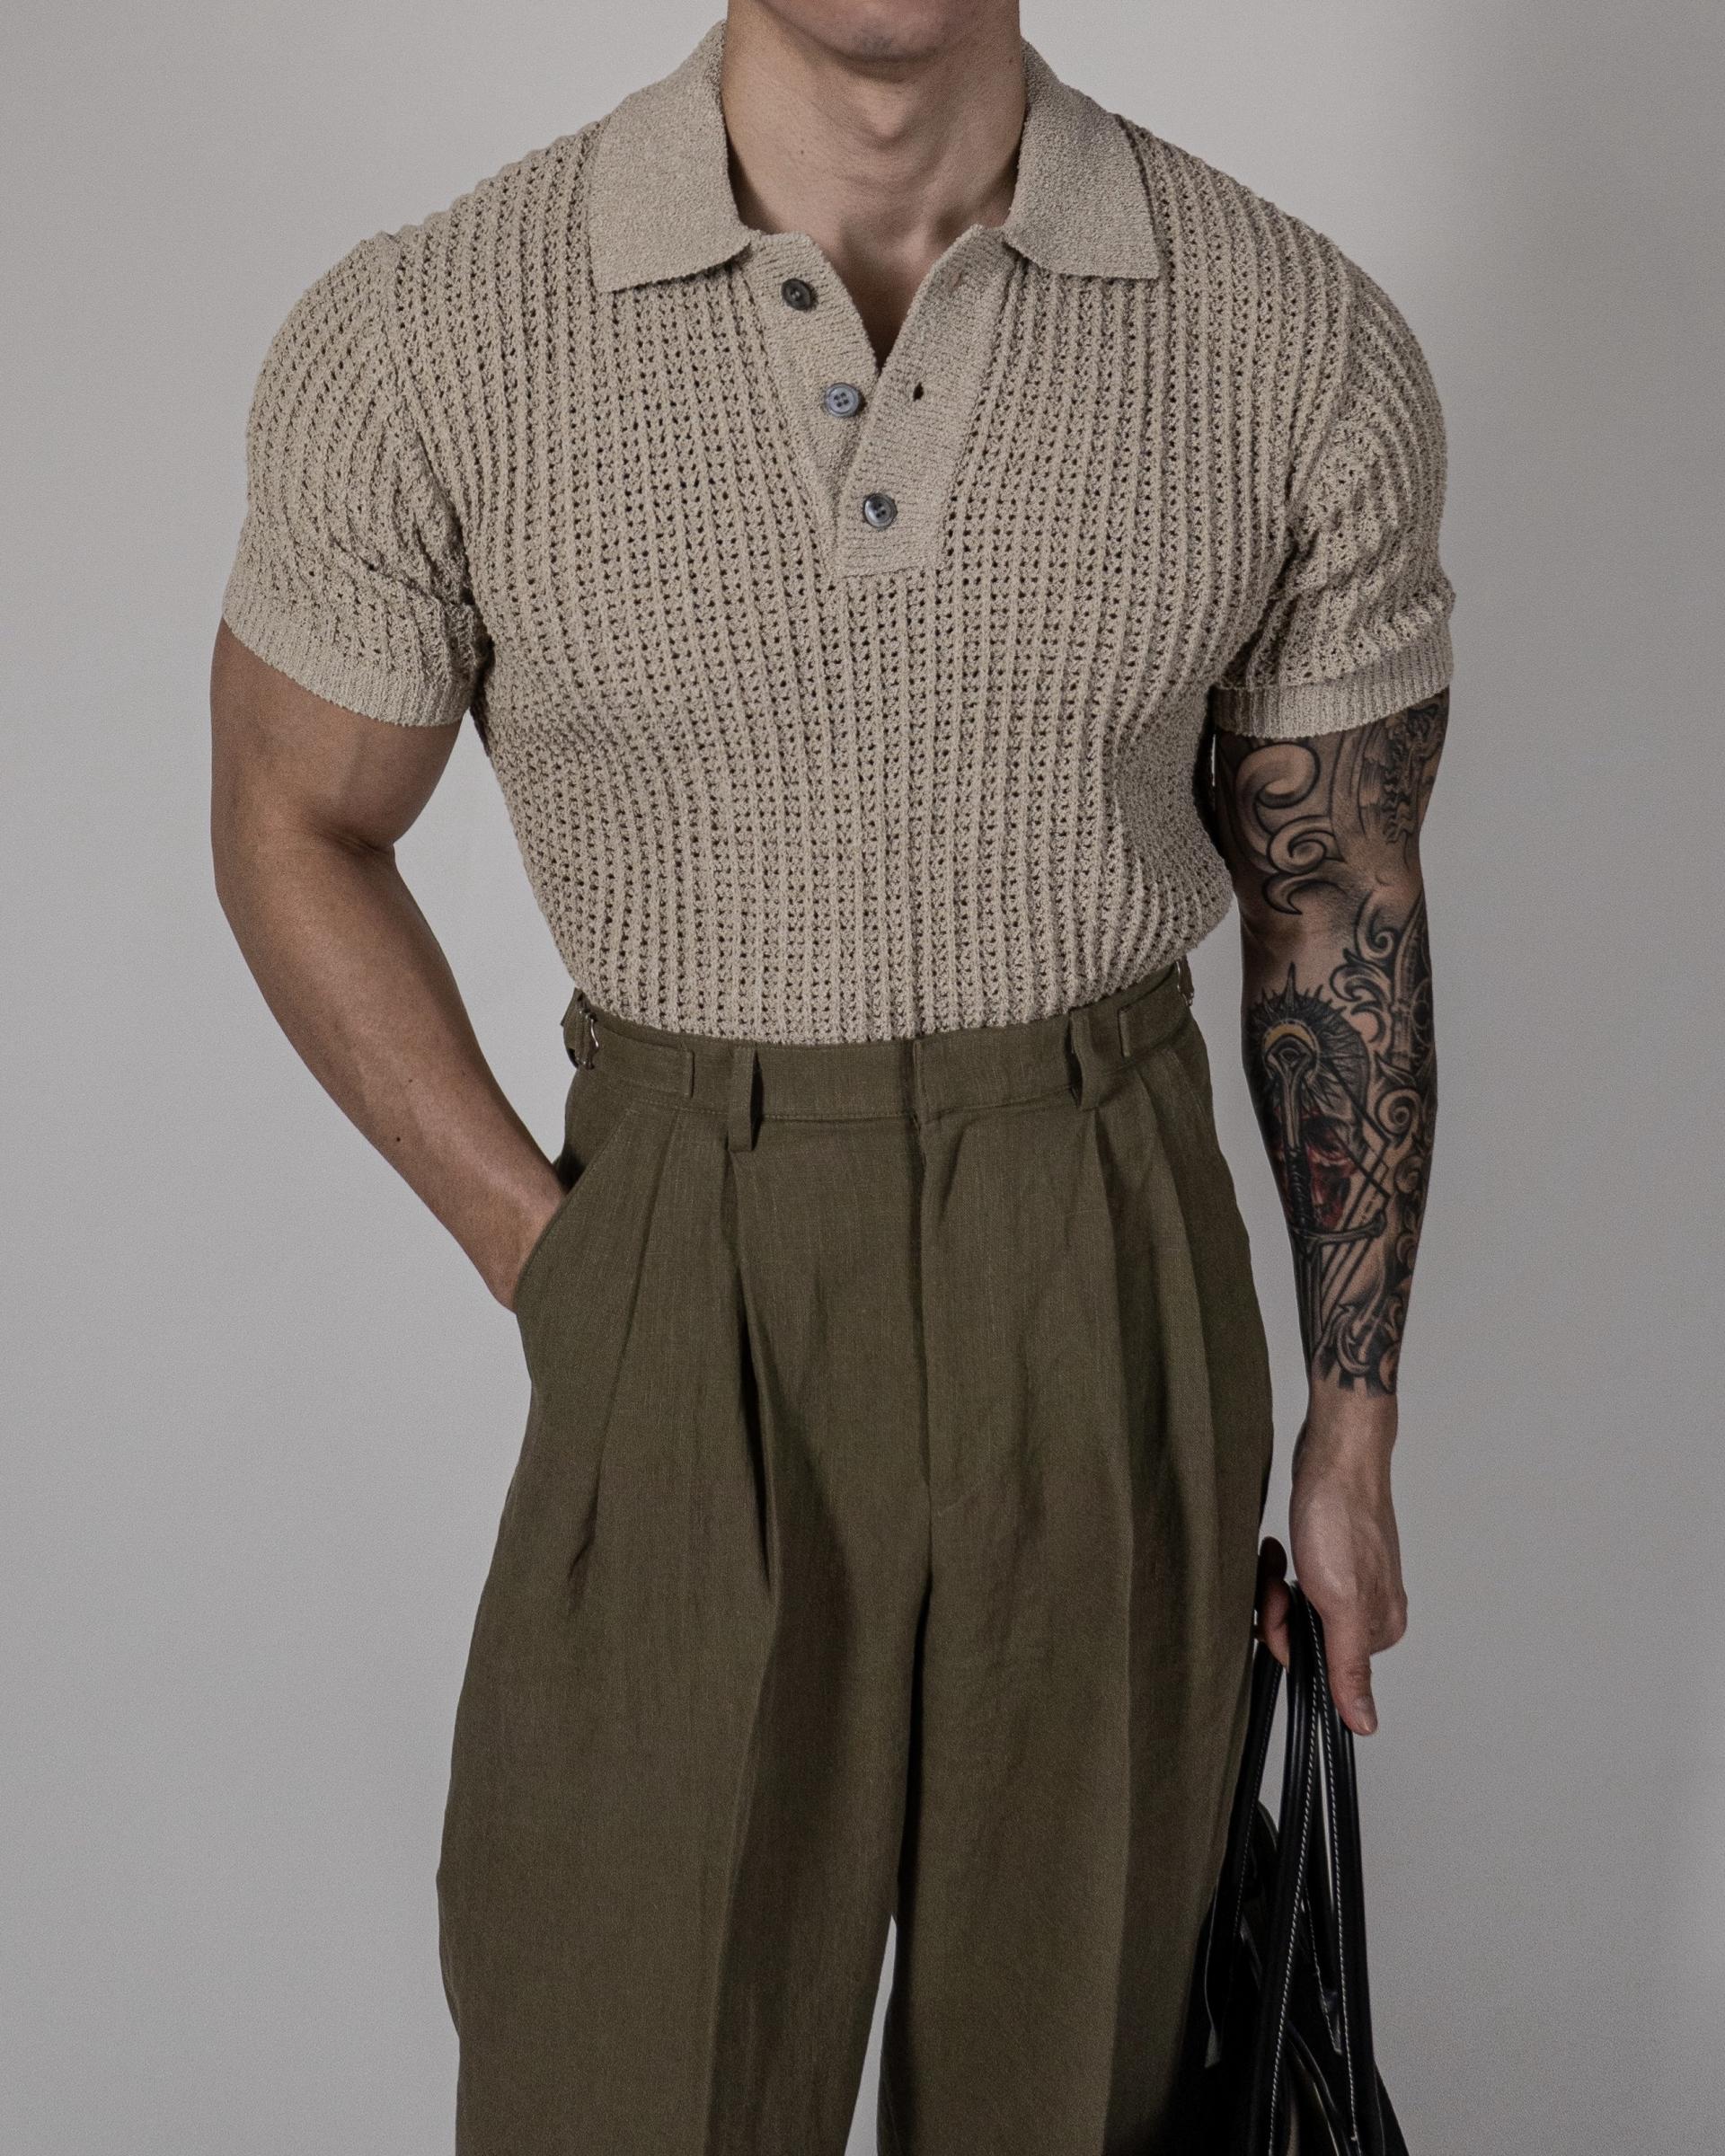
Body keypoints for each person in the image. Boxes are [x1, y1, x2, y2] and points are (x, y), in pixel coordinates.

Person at [208, 4, 1453, 2150]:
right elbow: (290, 818)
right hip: (683, 1241)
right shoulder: (433, 331)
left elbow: (1336, 895)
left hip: (1104, 1246)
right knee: (622, 2065)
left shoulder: (1287, 334)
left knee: (1076, 2080)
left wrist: (1352, 1432)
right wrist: (555, 1257)